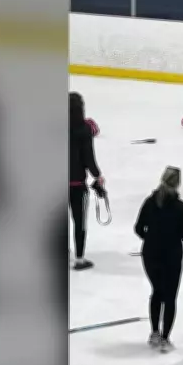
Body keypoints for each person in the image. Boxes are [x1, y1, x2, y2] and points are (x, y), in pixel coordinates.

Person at [134, 166, 183, 353]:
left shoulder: (149, 202)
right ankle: (165, 337)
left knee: (157, 292)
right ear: (177, 184)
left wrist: (151, 238)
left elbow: (138, 228)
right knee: (170, 297)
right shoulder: (180, 208)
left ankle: (154, 332)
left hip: (151, 253)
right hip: (171, 256)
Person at [69, 91, 104, 271]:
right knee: (79, 223)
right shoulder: (84, 130)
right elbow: (88, 158)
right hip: (77, 185)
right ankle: (79, 258)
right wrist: (97, 176)